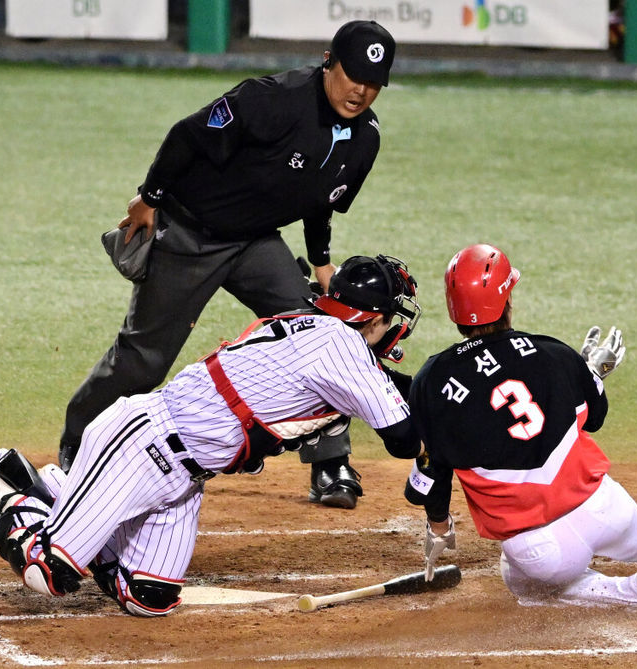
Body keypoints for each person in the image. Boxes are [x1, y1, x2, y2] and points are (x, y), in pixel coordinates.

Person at [0, 255, 423, 616]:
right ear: (374, 318)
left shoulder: (315, 329)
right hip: (139, 444)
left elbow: (391, 387)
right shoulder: (342, 347)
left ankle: (64, 495)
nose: (396, 327)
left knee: (148, 597)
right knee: (49, 572)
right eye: (392, 316)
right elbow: (402, 437)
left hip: (183, 478)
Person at [60, 20, 398, 509]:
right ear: (330, 61)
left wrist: (322, 263)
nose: (361, 91)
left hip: (255, 242)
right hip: (190, 234)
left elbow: (319, 199)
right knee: (143, 358)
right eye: (354, 76)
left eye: (373, 83)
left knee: (322, 335)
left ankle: (330, 461)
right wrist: (149, 197)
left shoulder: (365, 138)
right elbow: (188, 134)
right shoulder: (272, 99)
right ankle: (79, 441)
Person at [406, 243, 637, 609]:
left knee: (525, 585)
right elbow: (595, 418)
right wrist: (591, 375)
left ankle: (634, 593)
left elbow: (432, 470)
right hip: (602, 508)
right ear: (507, 299)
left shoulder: (431, 381)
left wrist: (439, 525)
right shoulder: (552, 352)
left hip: (538, 548)